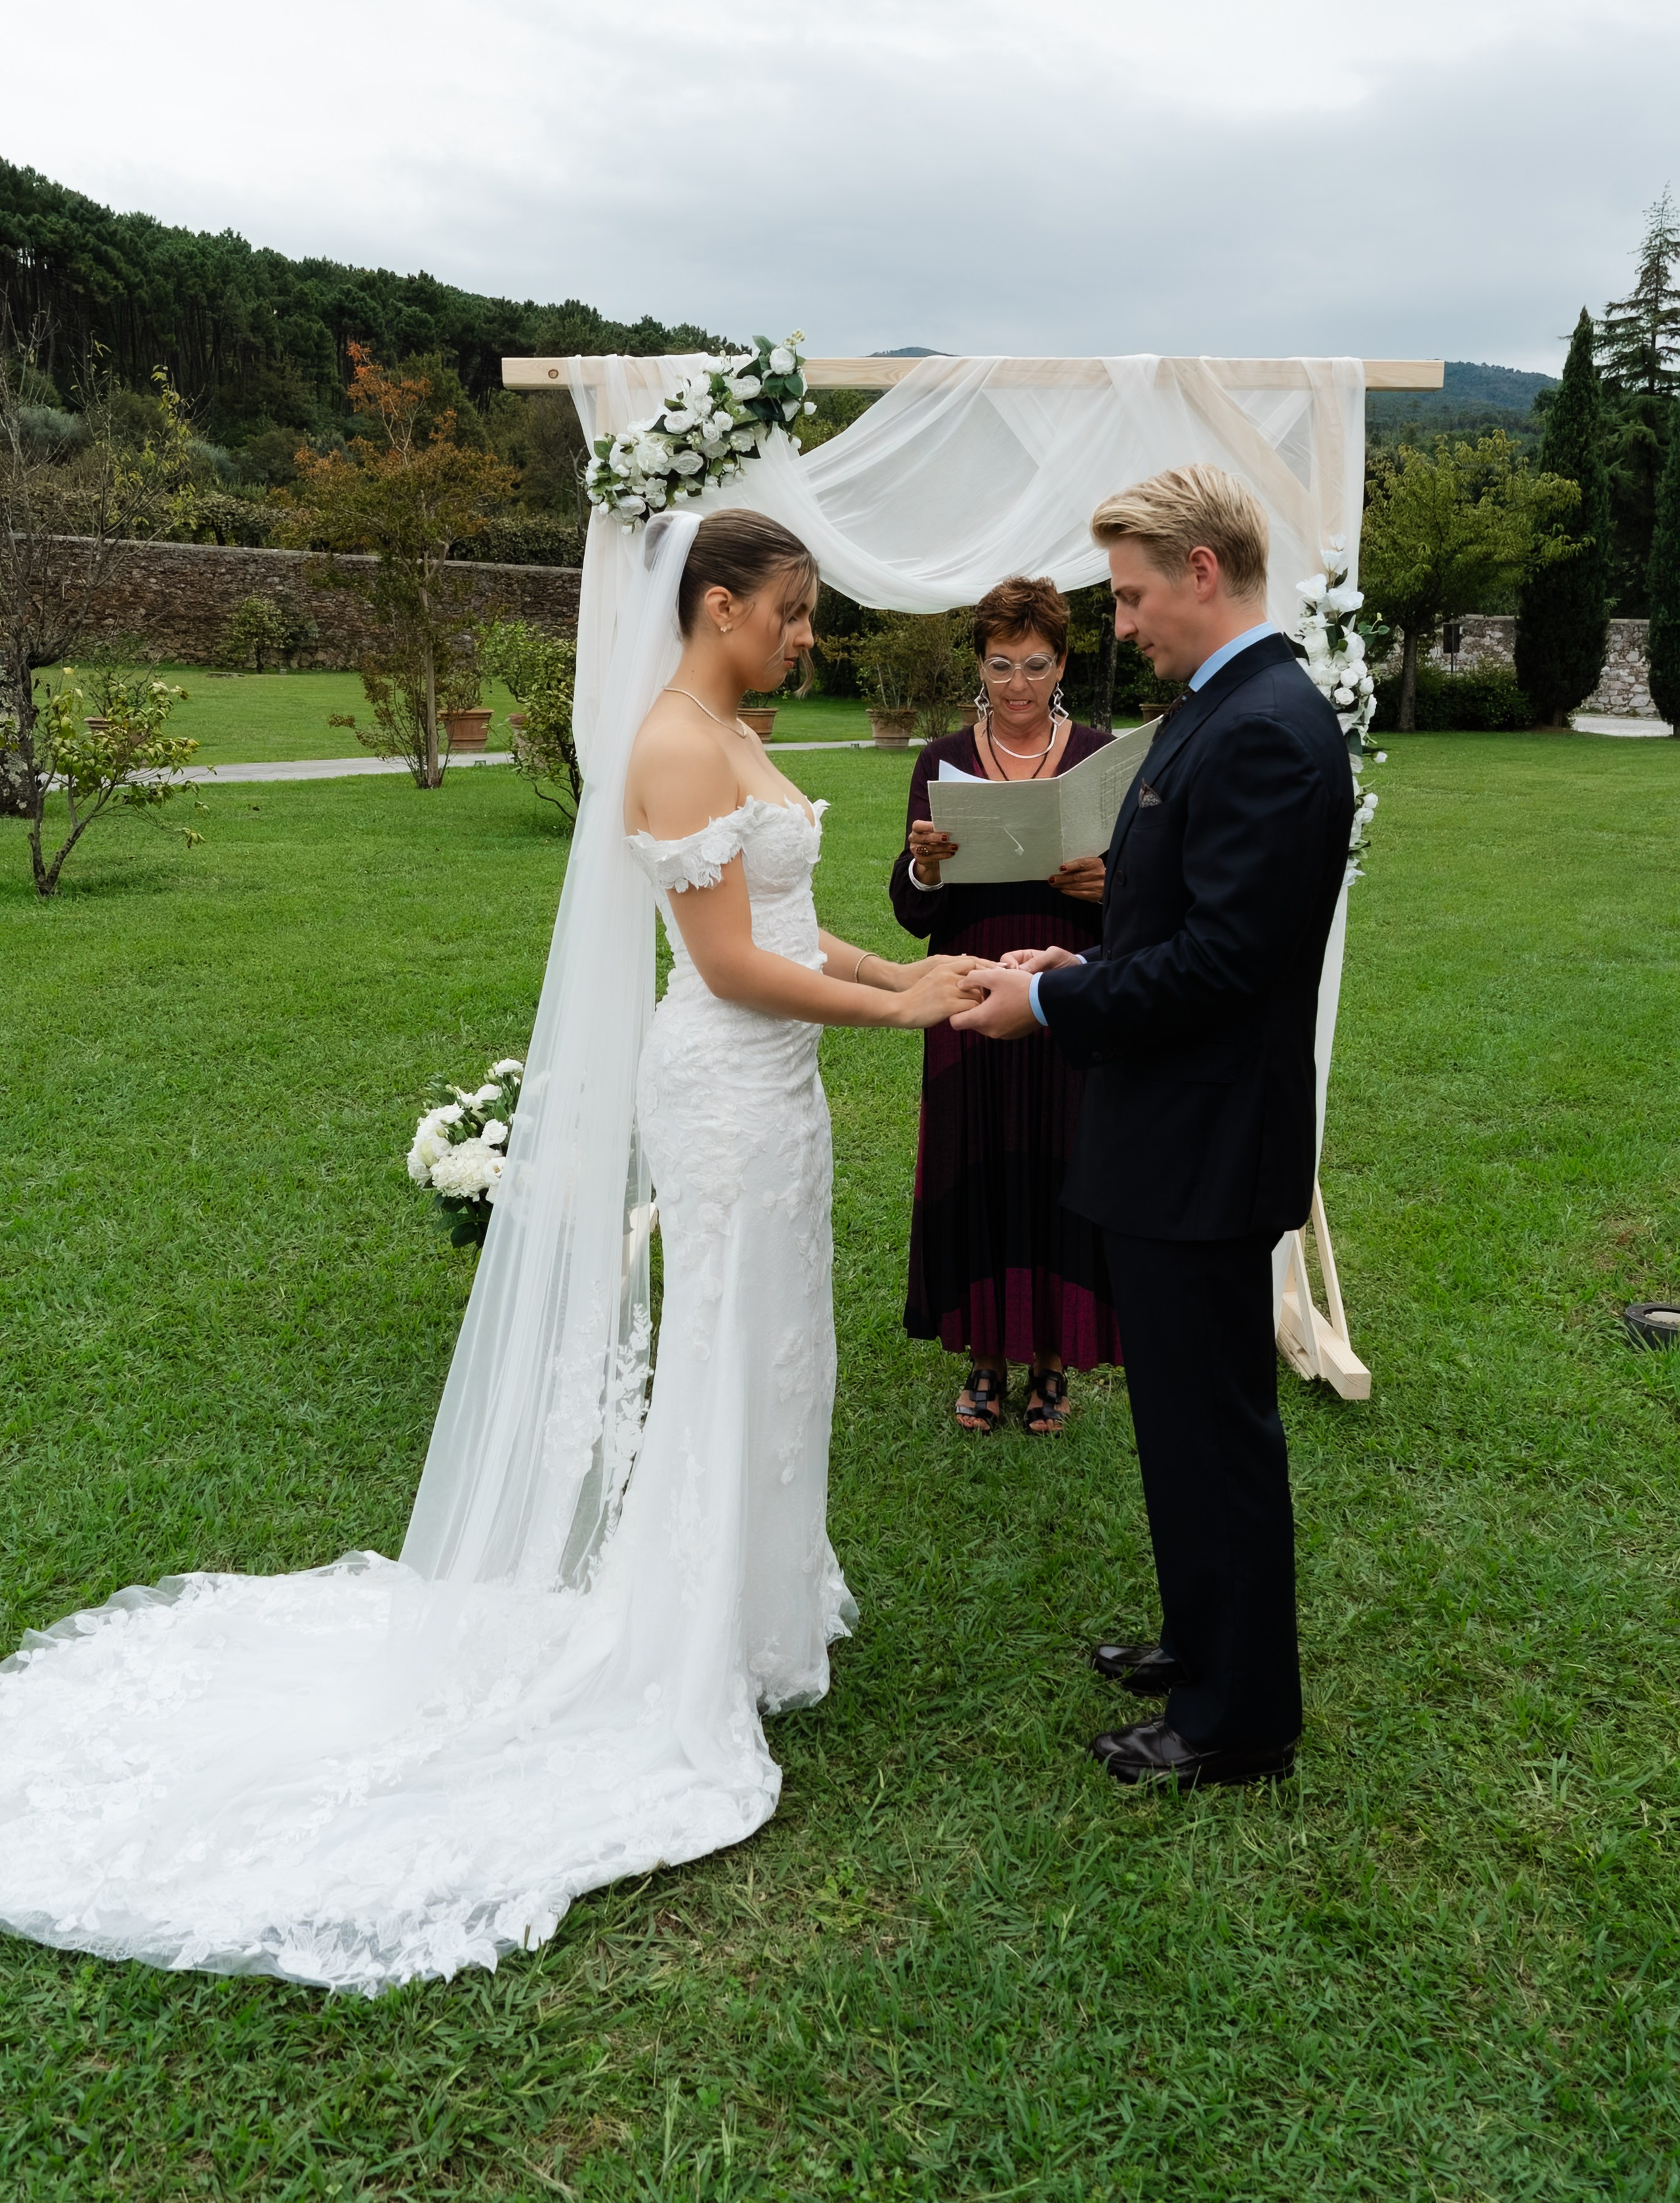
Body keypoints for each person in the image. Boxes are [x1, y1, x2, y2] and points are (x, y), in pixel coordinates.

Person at [0, 507, 976, 1992]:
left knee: (776, 1336)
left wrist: (904, 965)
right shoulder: (670, 742)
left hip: (775, 1089)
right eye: (789, 615)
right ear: (715, 605)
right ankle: (686, 1631)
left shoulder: (736, 727)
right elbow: (721, 964)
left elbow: (787, 917)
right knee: (724, 1338)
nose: (804, 639)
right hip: (723, 1081)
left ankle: (760, 1600)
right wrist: (900, 1014)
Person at [952, 466, 1354, 1791]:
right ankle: (1200, 1643)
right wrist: (1082, 938)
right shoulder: (1221, 706)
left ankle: (1238, 1720)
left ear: (1198, 569)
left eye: (1127, 596)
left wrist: (1051, 1001)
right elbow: (1177, 915)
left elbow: (1224, 964)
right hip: (1166, 1132)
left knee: (1215, 1433)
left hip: (1203, 1141)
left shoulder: (1264, 724)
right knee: (1178, 1428)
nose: (1115, 624)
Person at [889, 575, 1120, 1434]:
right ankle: (985, 1356)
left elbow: (1153, 901)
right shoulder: (940, 760)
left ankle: (1054, 1362)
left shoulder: (1101, 755)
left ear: (1061, 662)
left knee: (1064, 1167)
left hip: (1069, 989)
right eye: (999, 664)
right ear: (979, 666)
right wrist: (928, 866)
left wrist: (1111, 883)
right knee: (978, 1162)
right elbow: (913, 907)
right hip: (970, 989)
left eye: (1034, 664)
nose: (1017, 683)